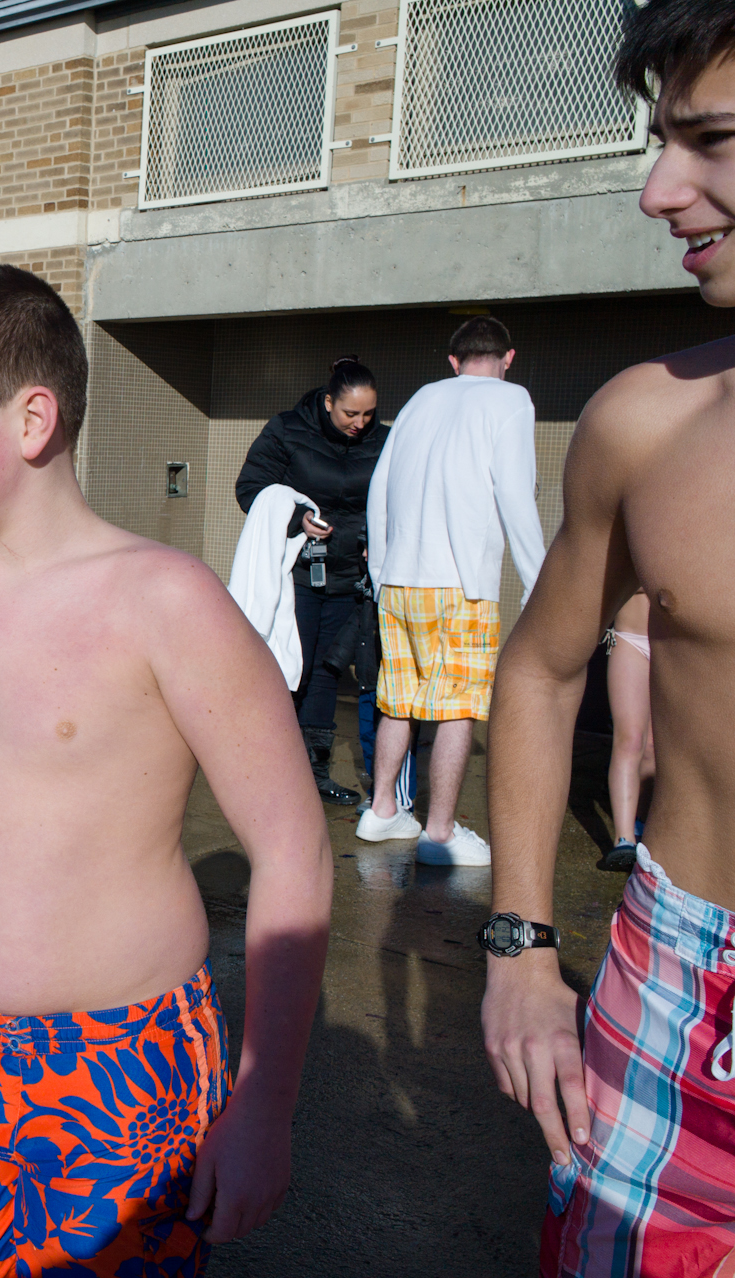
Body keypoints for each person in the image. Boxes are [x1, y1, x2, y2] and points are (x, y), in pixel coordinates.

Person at [0, 263, 331, 1275]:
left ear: (33, 419)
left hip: (122, 1066)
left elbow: (293, 853)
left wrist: (264, 1106)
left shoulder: (164, 601)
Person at [482, 8, 735, 1270]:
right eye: (659, 142)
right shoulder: (647, 423)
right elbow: (539, 668)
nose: (658, 192)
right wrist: (521, 947)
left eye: (713, 141)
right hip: (674, 978)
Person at [358, 314, 545, 865]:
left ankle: (382, 810)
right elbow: (516, 493)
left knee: (399, 699)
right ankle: (439, 833)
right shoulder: (511, 400)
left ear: (453, 360)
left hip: (399, 578)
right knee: (457, 708)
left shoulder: (421, 398)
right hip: (462, 584)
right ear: (508, 358)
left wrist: (382, 570)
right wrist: (538, 582)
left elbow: (379, 486)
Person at [235, 358, 386, 807]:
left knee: (326, 671)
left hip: (348, 576)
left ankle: (313, 773)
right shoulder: (287, 430)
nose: (360, 423)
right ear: (328, 402)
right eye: (350, 413)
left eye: (368, 414)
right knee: (286, 667)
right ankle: (268, 767)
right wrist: (297, 518)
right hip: (296, 572)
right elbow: (251, 487)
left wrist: (376, 540)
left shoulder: (385, 441)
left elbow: (397, 499)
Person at [599, 591, 654, 873]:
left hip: (675, 645)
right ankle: (624, 840)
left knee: (654, 750)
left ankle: (642, 827)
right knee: (630, 739)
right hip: (631, 638)